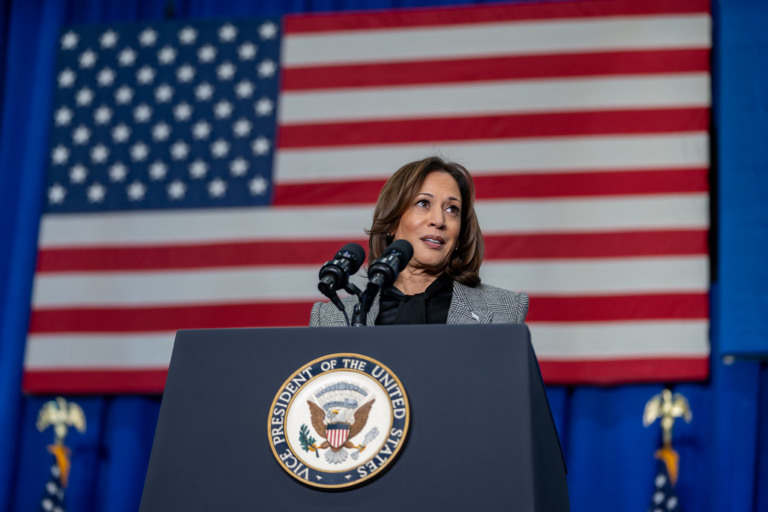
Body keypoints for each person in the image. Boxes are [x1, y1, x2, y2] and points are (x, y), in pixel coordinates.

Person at [309, 156, 528, 326]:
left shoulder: (504, 311)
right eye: (423, 203)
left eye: (452, 209)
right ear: (393, 222)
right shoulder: (331, 318)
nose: (439, 220)